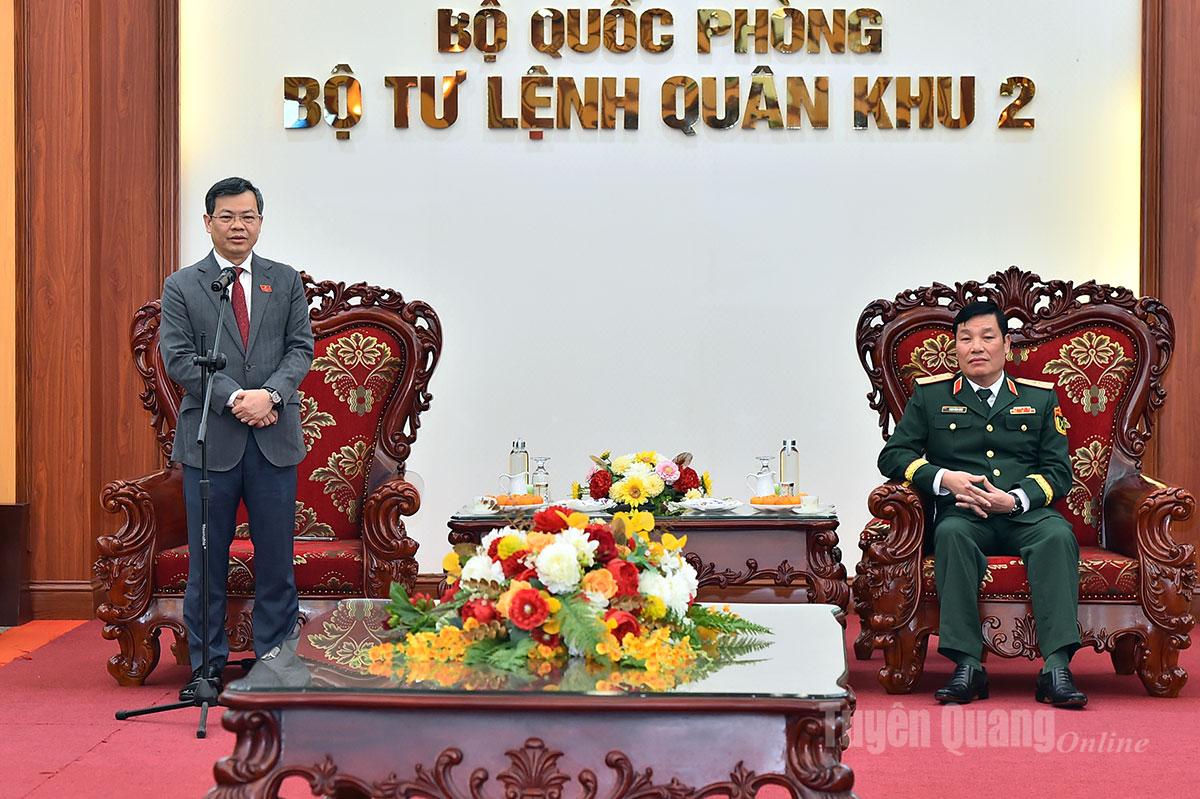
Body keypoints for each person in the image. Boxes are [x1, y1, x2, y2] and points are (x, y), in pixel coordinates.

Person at [878, 300, 1087, 708]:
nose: (976, 347)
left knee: (1057, 536)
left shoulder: (1039, 398)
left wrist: (1015, 499)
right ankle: (968, 666)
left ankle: (1056, 668)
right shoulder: (931, 396)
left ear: (1006, 345)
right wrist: (944, 478)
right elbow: (893, 456)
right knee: (951, 535)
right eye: (966, 338)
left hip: (1024, 513)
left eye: (987, 337)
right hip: (965, 513)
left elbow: (1059, 471)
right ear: (955, 347)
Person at [159, 177, 314, 702]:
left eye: (248, 216)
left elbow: (301, 349)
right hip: (211, 445)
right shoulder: (183, 286)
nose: (238, 226)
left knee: (276, 560)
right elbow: (179, 358)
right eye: (227, 217)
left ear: (260, 222)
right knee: (207, 562)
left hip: (274, 438)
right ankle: (206, 669)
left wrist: (269, 395)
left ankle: (275, 666)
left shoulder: (284, 280)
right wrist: (234, 398)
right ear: (208, 223)